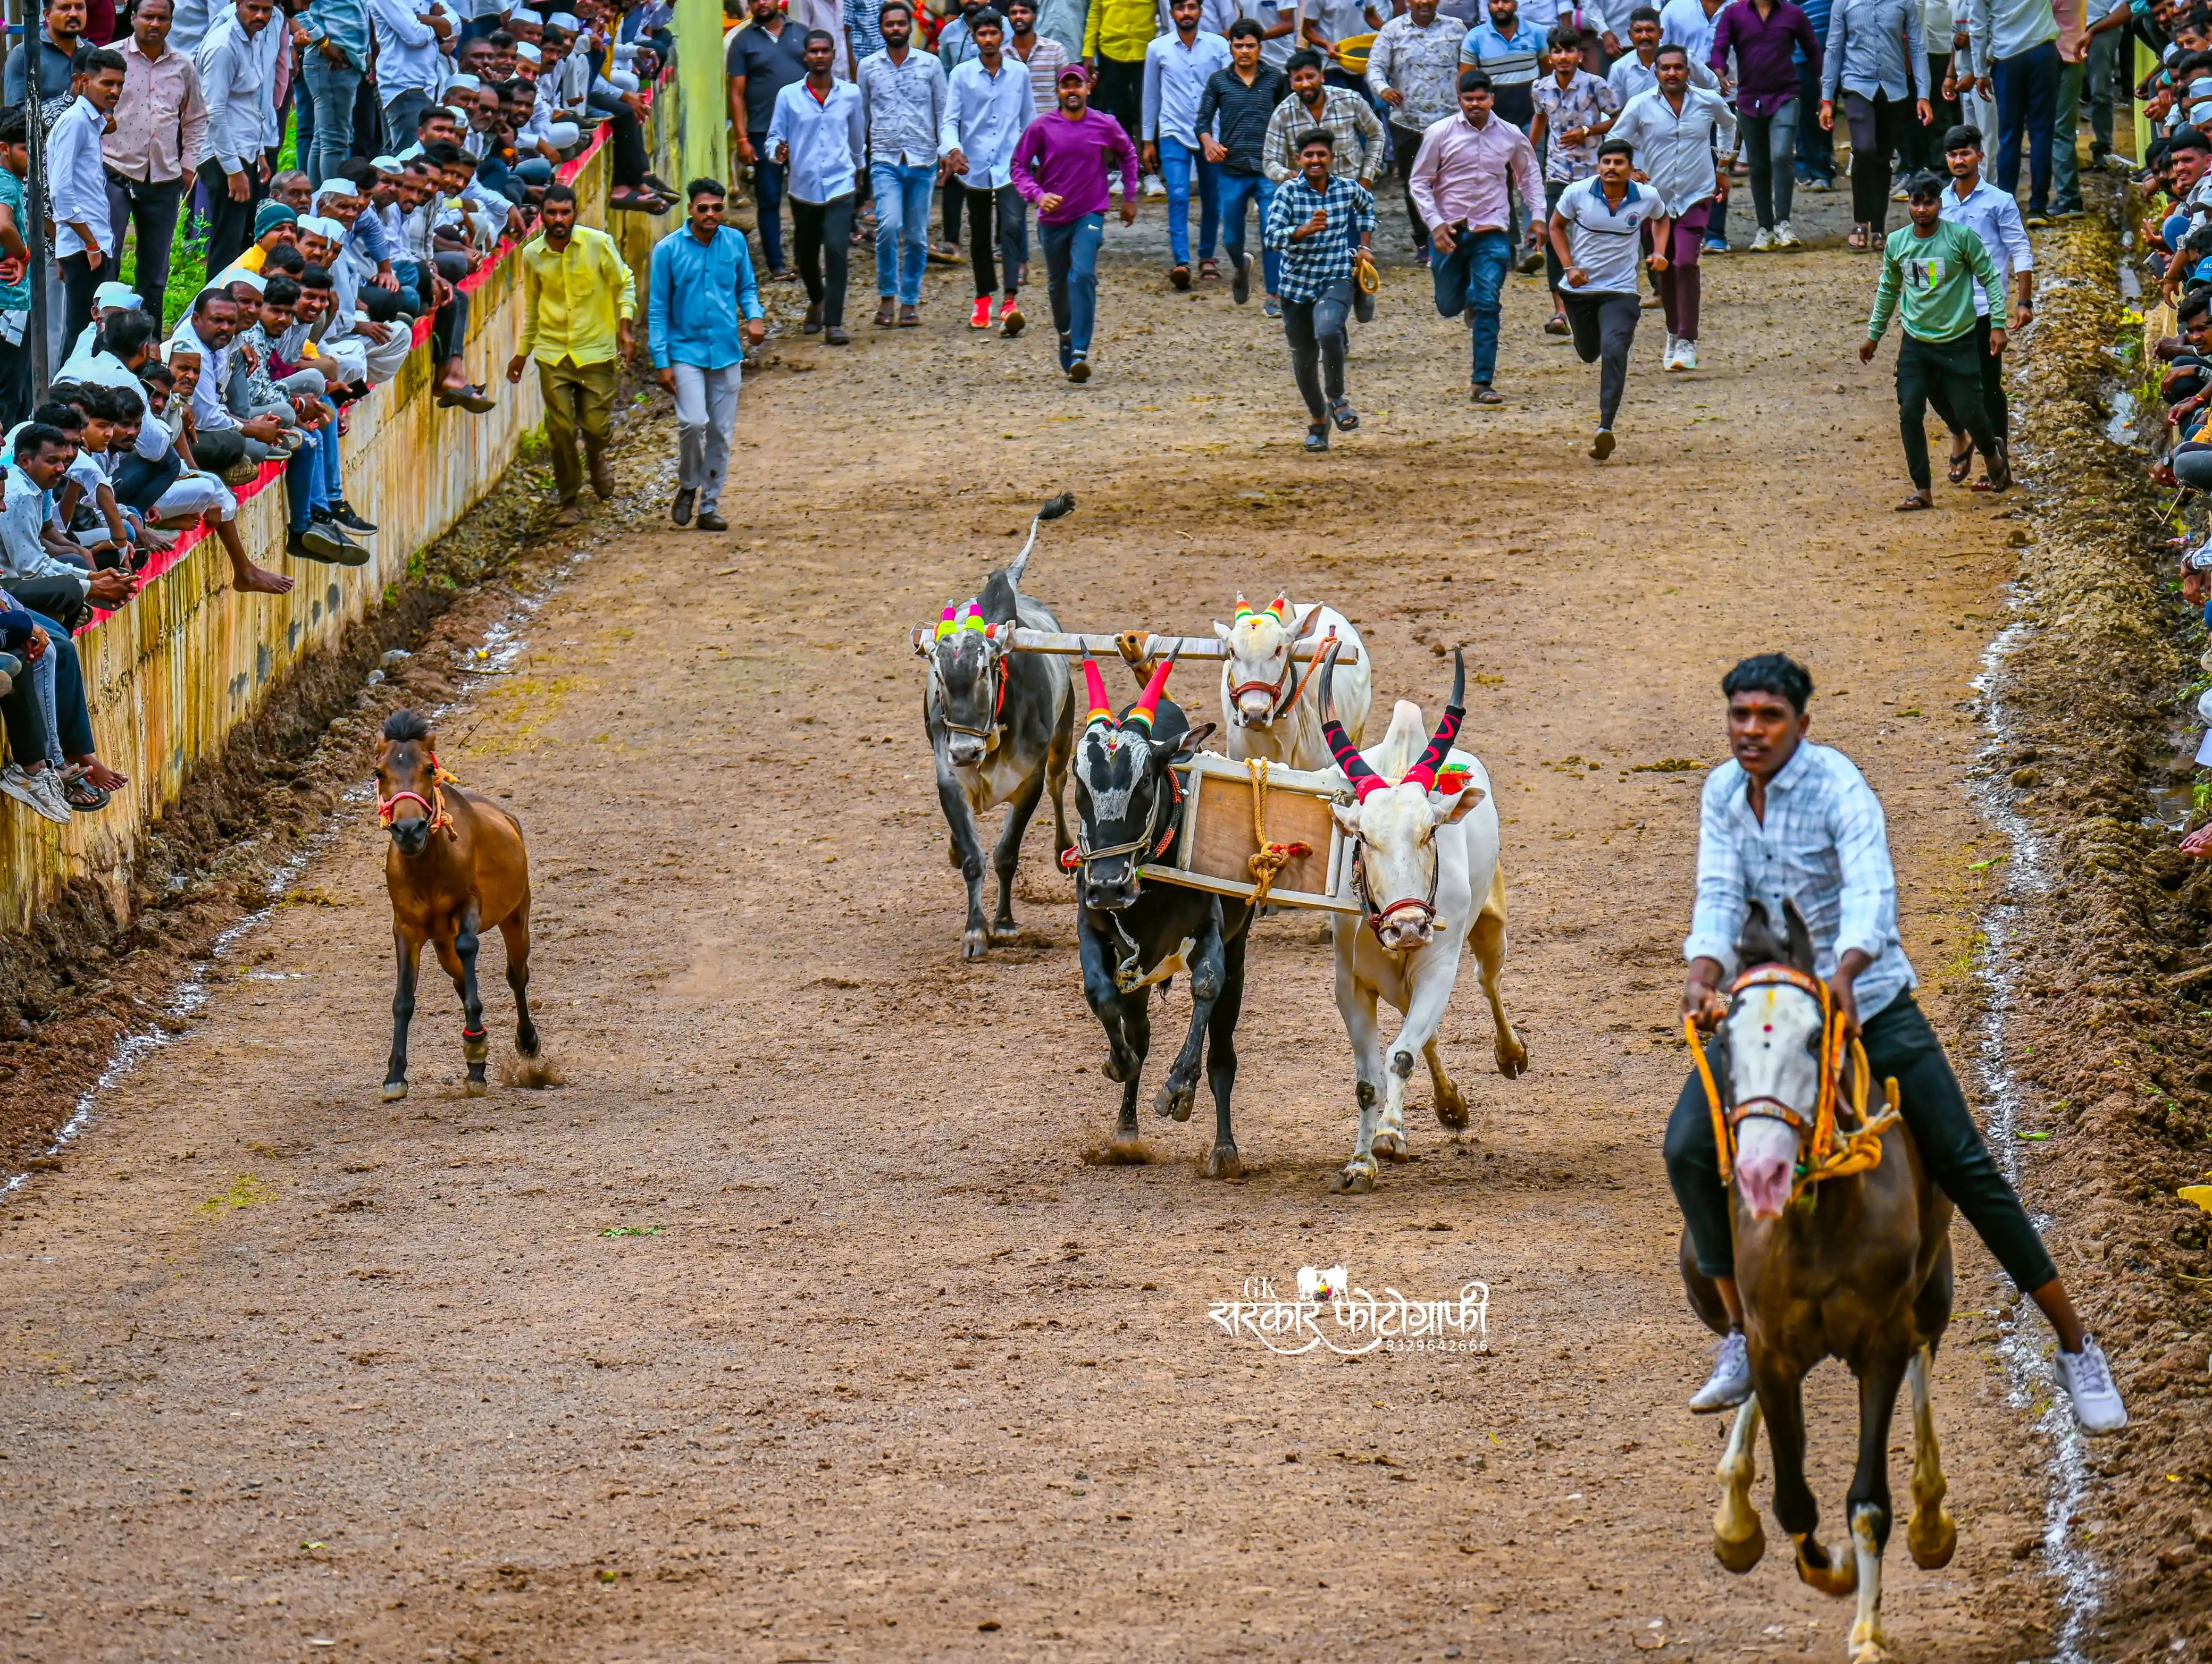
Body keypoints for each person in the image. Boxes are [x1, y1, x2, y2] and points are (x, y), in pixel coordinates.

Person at [1669, 653, 2129, 1434]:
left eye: (1769, 717)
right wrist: (1703, 970)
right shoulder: (1722, 792)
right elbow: (1717, 894)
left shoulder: (1840, 788)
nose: (1751, 730)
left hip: (1868, 1002)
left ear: (1801, 724)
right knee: (1686, 1147)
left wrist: (1847, 970)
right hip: (1770, 1010)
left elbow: (1870, 893)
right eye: (1739, 716)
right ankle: (1741, 1331)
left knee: (1965, 1164)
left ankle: (2075, 1345)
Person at [1859, 170, 2008, 508]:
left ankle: (1991, 452)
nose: (1922, 209)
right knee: (1910, 411)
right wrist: (1874, 335)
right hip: (1916, 343)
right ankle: (1922, 490)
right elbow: (1888, 289)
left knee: (1971, 411)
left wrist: (1998, 324)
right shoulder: (1898, 243)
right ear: (1908, 204)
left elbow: (1990, 278)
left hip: (1959, 340)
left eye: (1929, 203)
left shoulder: (1961, 238)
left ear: (1940, 204)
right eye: (1916, 203)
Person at [1410, 68, 1545, 403]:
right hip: (1449, 231)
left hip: (1492, 230)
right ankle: (1468, 298)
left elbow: (1529, 176)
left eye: (1481, 98)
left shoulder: (1511, 134)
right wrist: (1435, 224)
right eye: (1469, 99)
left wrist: (1539, 218)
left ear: (1492, 99)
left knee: (1488, 302)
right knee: (1448, 305)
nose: (1475, 104)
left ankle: (1482, 381)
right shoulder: (1439, 133)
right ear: (1460, 100)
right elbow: (1419, 182)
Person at [506, 182, 636, 522]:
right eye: (552, 213)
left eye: (565, 212)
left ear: (575, 214)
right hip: (553, 353)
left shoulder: (598, 244)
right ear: (542, 216)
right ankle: (569, 500)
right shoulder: (532, 255)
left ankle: (596, 455)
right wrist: (522, 353)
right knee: (561, 429)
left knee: (595, 427)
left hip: (596, 351)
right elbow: (533, 307)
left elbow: (624, 283)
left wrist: (624, 327)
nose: (559, 219)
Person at [1608, 44, 1736, 369]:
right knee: (1662, 266)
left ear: (1688, 71)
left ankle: (1687, 340)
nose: (1672, 73)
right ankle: (1673, 331)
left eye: (1678, 67)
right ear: (1656, 72)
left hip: (1696, 195)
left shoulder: (1708, 101)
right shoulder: (1640, 105)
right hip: (1655, 201)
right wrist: (1631, 170)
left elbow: (1729, 123)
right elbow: (1616, 140)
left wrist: (1722, 166)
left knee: (1686, 263)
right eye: (1665, 68)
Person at [1011, 61, 1141, 381]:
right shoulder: (1042, 127)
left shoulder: (1104, 124)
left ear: (1088, 88)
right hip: (1053, 219)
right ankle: (1066, 333)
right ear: (1058, 91)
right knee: (1058, 285)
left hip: (1090, 214)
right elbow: (1018, 166)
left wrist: (1129, 196)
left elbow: (1128, 154)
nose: (1072, 91)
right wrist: (1038, 195)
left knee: (1082, 275)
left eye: (1077, 85)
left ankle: (1081, 351)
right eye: (1066, 86)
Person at [648, 179, 765, 532]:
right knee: (693, 423)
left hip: (726, 351)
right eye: (704, 208)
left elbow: (746, 287)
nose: (711, 214)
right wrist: (661, 361)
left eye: (717, 208)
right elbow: (658, 309)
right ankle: (688, 485)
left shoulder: (735, 242)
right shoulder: (667, 251)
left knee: (721, 433)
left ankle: (710, 506)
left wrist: (755, 316)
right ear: (690, 210)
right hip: (684, 350)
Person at [1548, 136, 1665, 458]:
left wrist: (1658, 252)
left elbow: (1662, 218)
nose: (1612, 168)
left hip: (1621, 291)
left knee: (1615, 349)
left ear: (1631, 167)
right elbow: (1556, 226)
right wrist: (1570, 267)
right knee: (1589, 353)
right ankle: (1590, 336)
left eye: (1619, 163)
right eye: (1606, 162)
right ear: (1598, 165)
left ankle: (1605, 428)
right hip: (1580, 292)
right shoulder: (1577, 193)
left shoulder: (1647, 196)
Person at [1263, 127, 1373, 450]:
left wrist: (1365, 246)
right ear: (1298, 159)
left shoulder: (1347, 188)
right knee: (1304, 359)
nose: (1315, 160)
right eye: (1309, 155)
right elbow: (1271, 238)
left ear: (1331, 158)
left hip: (1336, 275)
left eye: (1321, 155)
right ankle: (1318, 422)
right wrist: (1302, 230)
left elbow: (1367, 206)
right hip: (1296, 286)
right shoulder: (1287, 193)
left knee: (1328, 329)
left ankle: (1338, 399)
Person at [1936, 122, 2030, 490]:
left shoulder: (1999, 201)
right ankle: (1961, 434)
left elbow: (2020, 248)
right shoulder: (1939, 202)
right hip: (1945, 310)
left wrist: (2023, 301)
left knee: (1988, 386)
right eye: (1953, 155)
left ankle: (1999, 464)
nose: (1959, 160)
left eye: (1966, 153)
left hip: (1984, 309)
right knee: (1937, 381)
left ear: (1980, 156)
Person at [103, 0, 205, 335]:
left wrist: (189, 164)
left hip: (164, 177)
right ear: (133, 17)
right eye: (148, 16)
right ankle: (103, 339)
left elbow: (196, 118)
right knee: (108, 261)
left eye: (163, 18)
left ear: (172, 22)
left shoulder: (183, 66)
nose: (155, 23)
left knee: (155, 272)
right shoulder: (110, 58)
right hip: (113, 171)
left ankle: (148, 343)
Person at [768, 29, 868, 344]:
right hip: (804, 187)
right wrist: (777, 152)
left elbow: (857, 137)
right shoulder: (788, 96)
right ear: (806, 56)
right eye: (814, 51)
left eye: (825, 51)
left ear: (834, 55)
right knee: (806, 255)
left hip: (840, 183)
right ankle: (818, 299)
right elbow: (774, 137)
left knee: (837, 250)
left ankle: (834, 323)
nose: (820, 56)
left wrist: (860, 168)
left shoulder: (850, 94)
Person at [942, 8, 1038, 331]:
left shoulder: (1019, 73)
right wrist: (953, 150)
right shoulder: (961, 75)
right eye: (981, 34)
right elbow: (950, 121)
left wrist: (1036, 161)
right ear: (974, 37)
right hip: (975, 164)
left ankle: (1010, 301)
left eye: (993, 33)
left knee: (1012, 227)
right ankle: (983, 298)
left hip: (1012, 164)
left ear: (1002, 35)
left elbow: (1029, 120)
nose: (987, 39)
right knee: (980, 233)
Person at [858, 2, 949, 330]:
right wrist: (858, 159)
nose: (895, 29)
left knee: (917, 237)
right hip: (885, 159)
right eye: (889, 24)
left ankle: (909, 302)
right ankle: (887, 298)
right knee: (888, 226)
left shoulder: (931, 64)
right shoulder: (868, 67)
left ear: (911, 26)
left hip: (923, 160)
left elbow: (944, 111)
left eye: (900, 23)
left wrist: (947, 151)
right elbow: (861, 116)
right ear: (881, 28)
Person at [1530, 23, 1621, 333]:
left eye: (1569, 51)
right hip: (1556, 172)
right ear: (1551, 56)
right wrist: (1526, 154)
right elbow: (1540, 119)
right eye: (1557, 51)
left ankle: (1596, 301)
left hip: (1593, 174)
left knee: (1594, 237)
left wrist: (1588, 131)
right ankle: (1561, 312)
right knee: (1555, 237)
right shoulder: (1540, 88)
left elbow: (1618, 117)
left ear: (1579, 55)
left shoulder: (1595, 85)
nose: (1563, 57)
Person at [1711, 0, 1821, 249]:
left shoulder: (1793, 13)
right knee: (1758, 164)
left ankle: (1783, 223)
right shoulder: (1734, 14)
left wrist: (1824, 90)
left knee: (1781, 155)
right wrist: (1719, 72)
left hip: (1785, 95)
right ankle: (1765, 228)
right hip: (1749, 98)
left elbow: (1813, 49)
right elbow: (1720, 47)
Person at [1821, 0, 1931, 249]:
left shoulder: (1904, 3)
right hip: (1857, 83)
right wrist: (1827, 99)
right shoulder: (1844, 3)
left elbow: (1917, 47)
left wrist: (1923, 95)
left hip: (1894, 87)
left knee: (1883, 156)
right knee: (1864, 148)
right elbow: (1834, 48)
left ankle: (1879, 227)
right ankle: (1861, 221)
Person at [1201, 18, 1293, 309]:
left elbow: (1290, 118)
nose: (1244, 51)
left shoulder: (1276, 79)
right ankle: (1241, 266)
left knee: (1273, 232)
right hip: (1233, 169)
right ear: (1230, 47)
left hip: (1269, 169)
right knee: (1230, 238)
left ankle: (1274, 294)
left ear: (1260, 48)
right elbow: (1203, 120)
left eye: (1250, 46)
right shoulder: (1218, 81)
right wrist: (1209, 142)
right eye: (1239, 46)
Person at [1143, 0, 1235, 288]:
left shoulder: (1219, 45)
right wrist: (1147, 140)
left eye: (1192, 7)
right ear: (1171, 13)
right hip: (1174, 131)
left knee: (1212, 198)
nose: (1186, 13)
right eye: (1180, 7)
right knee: (1179, 195)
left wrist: (1230, 134)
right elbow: (1150, 95)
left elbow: (1230, 91)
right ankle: (1181, 261)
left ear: (1200, 11)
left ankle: (1207, 257)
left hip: (1213, 132)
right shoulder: (1157, 48)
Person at [1367, 0, 1466, 256]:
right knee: (1415, 183)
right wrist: (1383, 89)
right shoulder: (1391, 30)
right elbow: (1375, 67)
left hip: (1449, 120)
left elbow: (1469, 67)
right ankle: (1424, 240)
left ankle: (1454, 234)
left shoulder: (1457, 28)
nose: (1424, 2)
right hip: (1408, 122)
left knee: (1452, 180)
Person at [47, 46, 127, 348]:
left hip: (88, 244)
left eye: (119, 84)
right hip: (86, 247)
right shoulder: (75, 122)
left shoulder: (91, 123)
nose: (115, 91)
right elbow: (61, 191)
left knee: (91, 333)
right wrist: (90, 243)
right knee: (82, 335)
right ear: (83, 81)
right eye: (107, 83)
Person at [196, 0, 282, 272]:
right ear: (239, 4)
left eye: (266, 10)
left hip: (245, 149)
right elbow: (213, 111)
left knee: (246, 240)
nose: (260, 16)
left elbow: (247, 103)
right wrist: (233, 170)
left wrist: (259, 153)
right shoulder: (223, 45)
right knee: (227, 245)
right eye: (253, 8)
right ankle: (217, 297)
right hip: (224, 155)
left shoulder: (251, 37)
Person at [728, 0, 809, 281]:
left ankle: (805, 260)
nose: (761, 3)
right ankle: (777, 265)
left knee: (807, 197)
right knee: (769, 197)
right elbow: (736, 93)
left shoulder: (802, 33)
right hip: (764, 131)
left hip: (804, 130)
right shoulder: (742, 42)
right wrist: (742, 138)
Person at [1967, 0, 2060, 224]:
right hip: (2042, 51)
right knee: (2041, 133)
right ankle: (2038, 207)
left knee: (2009, 135)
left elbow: (1977, 27)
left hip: (2008, 58)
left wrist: (1980, 71)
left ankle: (2006, 207)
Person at [1262, 48, 1386, 192]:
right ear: (1291, 83)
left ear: (1322, 77)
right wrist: (1288, 176)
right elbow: (1270, 161)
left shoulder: (1350, 101)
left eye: (1310, 77)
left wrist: (1367, 177)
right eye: (1299, 79)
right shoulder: (1282, 114)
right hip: (1305, 196)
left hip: (1351, 190)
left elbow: (1377, 134)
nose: (1305, 84)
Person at [1084, 0, 1161, 177]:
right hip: (1111, 50)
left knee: (1148, 109)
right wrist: (1089, 52)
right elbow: (1095, 12)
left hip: (1146, 50)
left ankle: (1152, 169)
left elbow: (1164, 11)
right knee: (1119, 111)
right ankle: (1124, 166)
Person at [373, 0, 460, 152]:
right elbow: (416, 37)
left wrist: (425, 20)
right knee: (410, 155)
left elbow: (456, 26)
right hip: (405, 85)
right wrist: (437, 24)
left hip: (428, 87)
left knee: (407, 155)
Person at [0, 113, 34, 432]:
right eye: (25, 149)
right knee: (9, 397)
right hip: (9, 303)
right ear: (5, 149)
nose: (31, 157)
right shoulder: (7, 183)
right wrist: (24, 254)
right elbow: (3, 226)